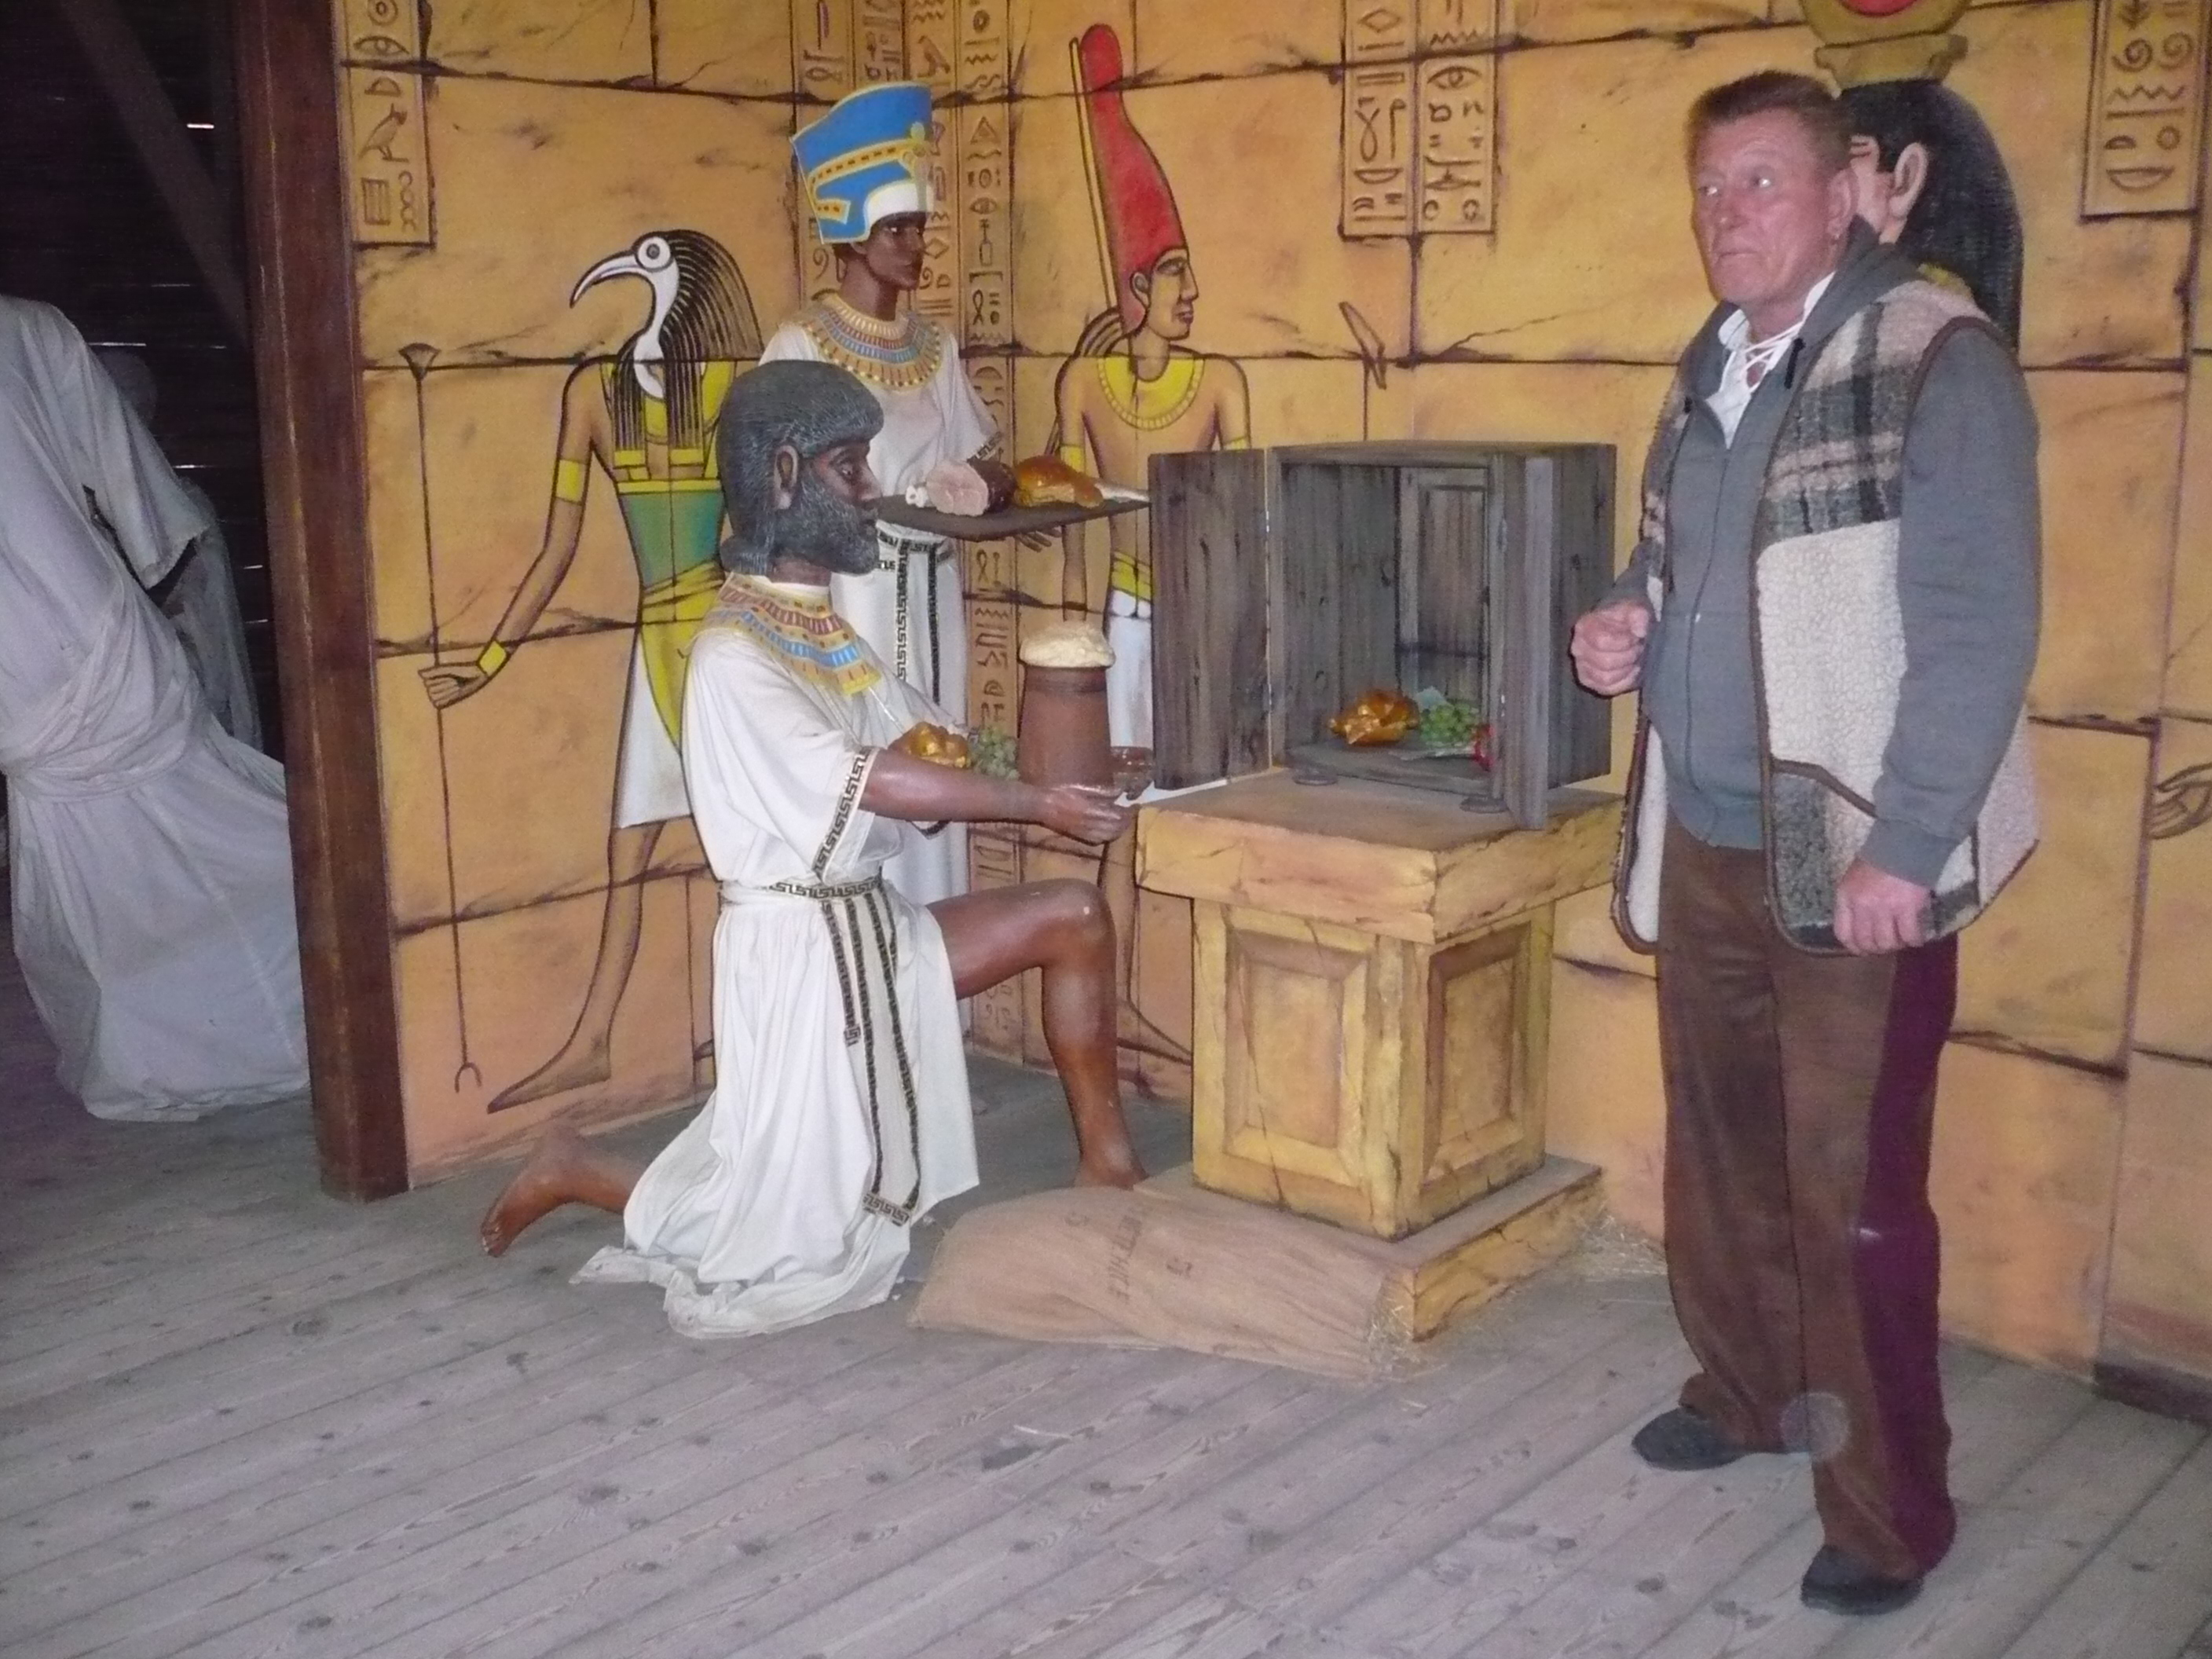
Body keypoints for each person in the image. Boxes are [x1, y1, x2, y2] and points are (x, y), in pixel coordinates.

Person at [1569, 71, 2038, 1616]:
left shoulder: (1935, 359)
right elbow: (1669, 558)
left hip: (1852, 859)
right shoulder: (1709, 364)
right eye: (1711, 187)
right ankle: (1749, 1393)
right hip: (1707, 835)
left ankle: (1892, 1510)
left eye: (1761, 181)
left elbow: (1978, 628)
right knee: (1719, 1154)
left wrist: (1905, 846)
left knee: (1850, 1195)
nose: (1728, 213)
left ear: (1847, 192)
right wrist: (1624, 620)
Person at [478, 359, 1144, 1338]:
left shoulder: (819, 633)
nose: (870, 490)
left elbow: (931, 746)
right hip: (798, 961)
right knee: (781, 1229)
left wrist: (1074, 753)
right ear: (784, 475)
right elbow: (877, 780)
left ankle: (1109, 1168)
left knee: (1074, 916)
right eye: (849, 467)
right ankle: (575, 1166)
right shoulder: (733, 654)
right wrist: (1034, 803)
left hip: (871, 930)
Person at [421, 229, 761, 1108]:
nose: (619, 271)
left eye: (650, 261)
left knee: (736, 849)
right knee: (638, 848)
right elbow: (557, 548)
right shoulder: (598, 392)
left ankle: (742, 1028)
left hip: (721, 641)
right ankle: (598, 1040)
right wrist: (489, 660)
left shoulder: (732, 386)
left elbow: (767, 526)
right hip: (675, 640)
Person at [0, 296, 308, 1119]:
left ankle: (268, 1004)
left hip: (65, 647)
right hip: (70, 637)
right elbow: (130, 475)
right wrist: (149, 546)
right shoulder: (28, 328)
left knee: (150, 858)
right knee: (142, 858)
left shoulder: (26, 329)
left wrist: (150, 548)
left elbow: (121, 458)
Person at [760, 82, 1005, 911]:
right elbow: (773, 493)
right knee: (863, 762)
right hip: (848, 595)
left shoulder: (934, 345)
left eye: (918, 227)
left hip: (933, 586)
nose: (914, 245)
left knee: (941, 749)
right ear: (851, 234)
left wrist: (982, 488)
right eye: (896, 229)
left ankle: (942, 964)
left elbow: (976, 459)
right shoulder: (800, 345)